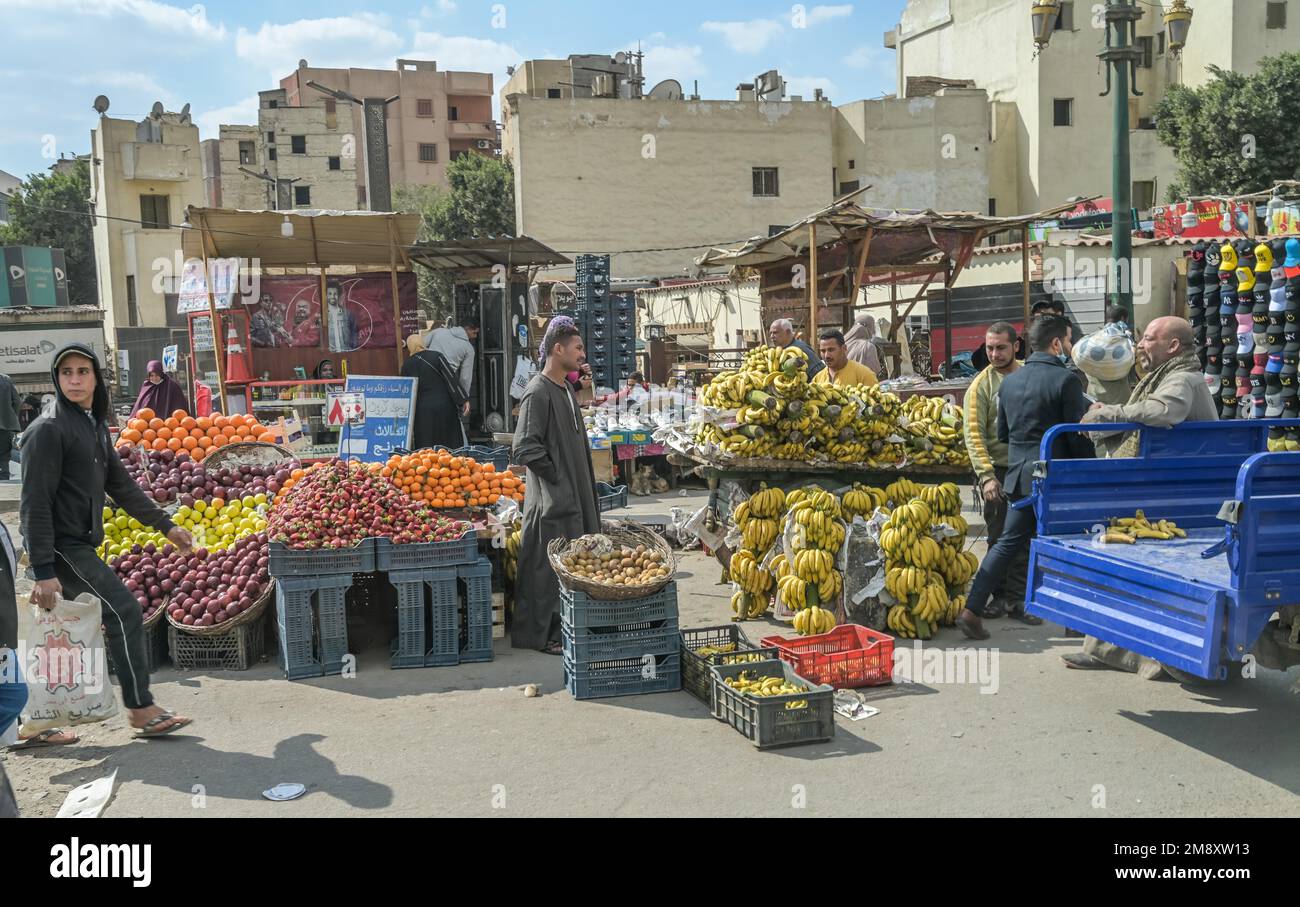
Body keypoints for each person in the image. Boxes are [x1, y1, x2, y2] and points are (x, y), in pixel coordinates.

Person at [20, 343, 195, 741]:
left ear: (96, 378)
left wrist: (164, 525)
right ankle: (140, 708)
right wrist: (43, 571)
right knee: (124, 613)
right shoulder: (48, 429)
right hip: (63, 546)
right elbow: (34, 503)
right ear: (57, 379)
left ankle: (35, 721)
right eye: (67, 373)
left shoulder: (93, 424)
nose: (75, 379)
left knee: (58, 632)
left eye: (83, 371)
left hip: (80, 542)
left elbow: (122, 486)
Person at [1063, 316, 1217, 677]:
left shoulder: (1181, 380)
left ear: (1173, 346)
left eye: (1149, 339)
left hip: (1178, 495)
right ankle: (1108, 649)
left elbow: (1165, 411)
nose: (1142, 345)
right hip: (1172, 489)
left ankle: (1117, 651)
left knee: (1119, 562)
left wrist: (1110, 414)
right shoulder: (1170, 376)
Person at [955, 316, 1095, 640]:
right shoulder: (1066, 381)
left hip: (1019, 476)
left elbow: (1003, 434)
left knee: (1005, 544)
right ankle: (1074, 623)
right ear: (1057, 343)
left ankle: (971, 609)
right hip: (1057, 477)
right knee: (1067, 544)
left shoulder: (1010, 384)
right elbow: (1076, 436)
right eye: (1069, 340)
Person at [511, 317, 601, 655]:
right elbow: (524, 447)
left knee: (572, 566)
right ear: (558, 349)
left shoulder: (564, 387)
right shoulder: (538, 390)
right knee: (546, 572)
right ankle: (542, 636)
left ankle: (566, 630)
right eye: (577, 348)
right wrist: (558, 479)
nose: (582, 354)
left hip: (572, 496)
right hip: (553, 501)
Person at [963, 322, 1027, 619]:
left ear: (1016, 346)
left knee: (1025, 537)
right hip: (999, 471)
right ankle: (999, 596)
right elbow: (974, 435)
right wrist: (987, 476)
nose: (994, 353)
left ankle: (1019, 599)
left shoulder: (1029, 374)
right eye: (989, 348)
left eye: (1001, 347)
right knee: (999, 536)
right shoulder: (980, 386)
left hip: (1028, 468)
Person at [401, 334, 468, 450]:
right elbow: (450, 378)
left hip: (422, 410)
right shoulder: (436, 356)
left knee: (427, 443)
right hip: (444, 405)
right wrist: (462, 399)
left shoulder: (407, 365)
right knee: (449, 440)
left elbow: (406, 390)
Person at [1083, 305, 1139, 406]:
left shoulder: (1094, 339)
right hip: (1119, 402)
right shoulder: (1123, 341)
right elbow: (1131, 359)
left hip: (1094, 400)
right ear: (1123, 318)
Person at [424, 323, 479, 402]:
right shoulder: (469, 348)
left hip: (426, 374)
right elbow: (465, 378)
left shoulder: (438, 332)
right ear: (467, 328)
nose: (475, 336)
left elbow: (421, 346)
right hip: (444, 382)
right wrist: (464, 397)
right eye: (474, 333)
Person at [844, 312, 884, 376]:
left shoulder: (841, 345)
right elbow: (874, 371)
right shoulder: (868, 347)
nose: (874, 331)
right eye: (873, 327)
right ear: (870, 328)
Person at [0, 371, 18, 481]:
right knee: (3, 458)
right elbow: (17, 401)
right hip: (5, 427)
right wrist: (11, 417)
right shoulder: (6, 379)